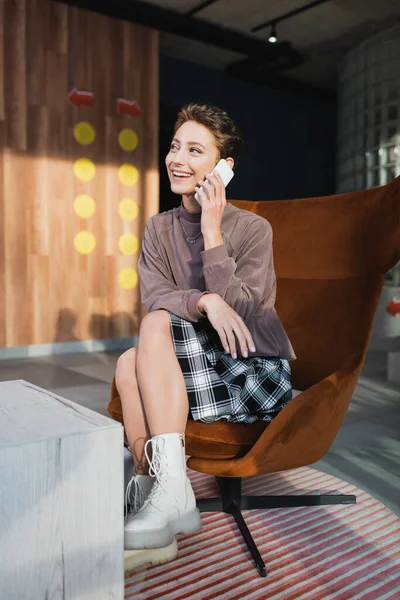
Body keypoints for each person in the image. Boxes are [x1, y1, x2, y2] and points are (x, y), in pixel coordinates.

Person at [115, 102, 296, 567]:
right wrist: (203, 301)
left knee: (151, 333)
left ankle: (168, 494)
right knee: (126, 361)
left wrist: (213, 233)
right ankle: (153, 484)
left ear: (223, 167)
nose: (176, 158)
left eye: (195, 150)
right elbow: (155, 294)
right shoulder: (159, 229)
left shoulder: (253, 229)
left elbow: (244, 313)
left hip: (250, 369)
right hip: (196, 368)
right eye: (175, 146)